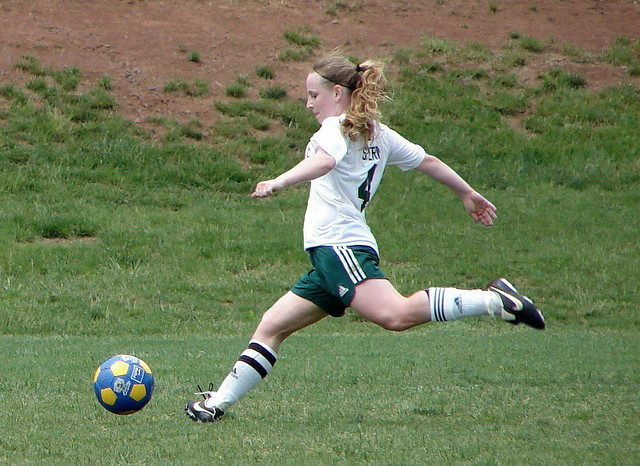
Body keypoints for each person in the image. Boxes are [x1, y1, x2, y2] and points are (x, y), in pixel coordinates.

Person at [185, 54, 545, 423]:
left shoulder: (334, 127)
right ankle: (216, 404)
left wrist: (278, 181)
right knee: (272, 326)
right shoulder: (379, 132)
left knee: (396, 315)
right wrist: (466, 192)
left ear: (337, 93)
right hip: (334, 255)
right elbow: (428, 161)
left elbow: (325, 162)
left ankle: (493, 301)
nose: (308, 104)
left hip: (338, 248)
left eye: (313, 95)